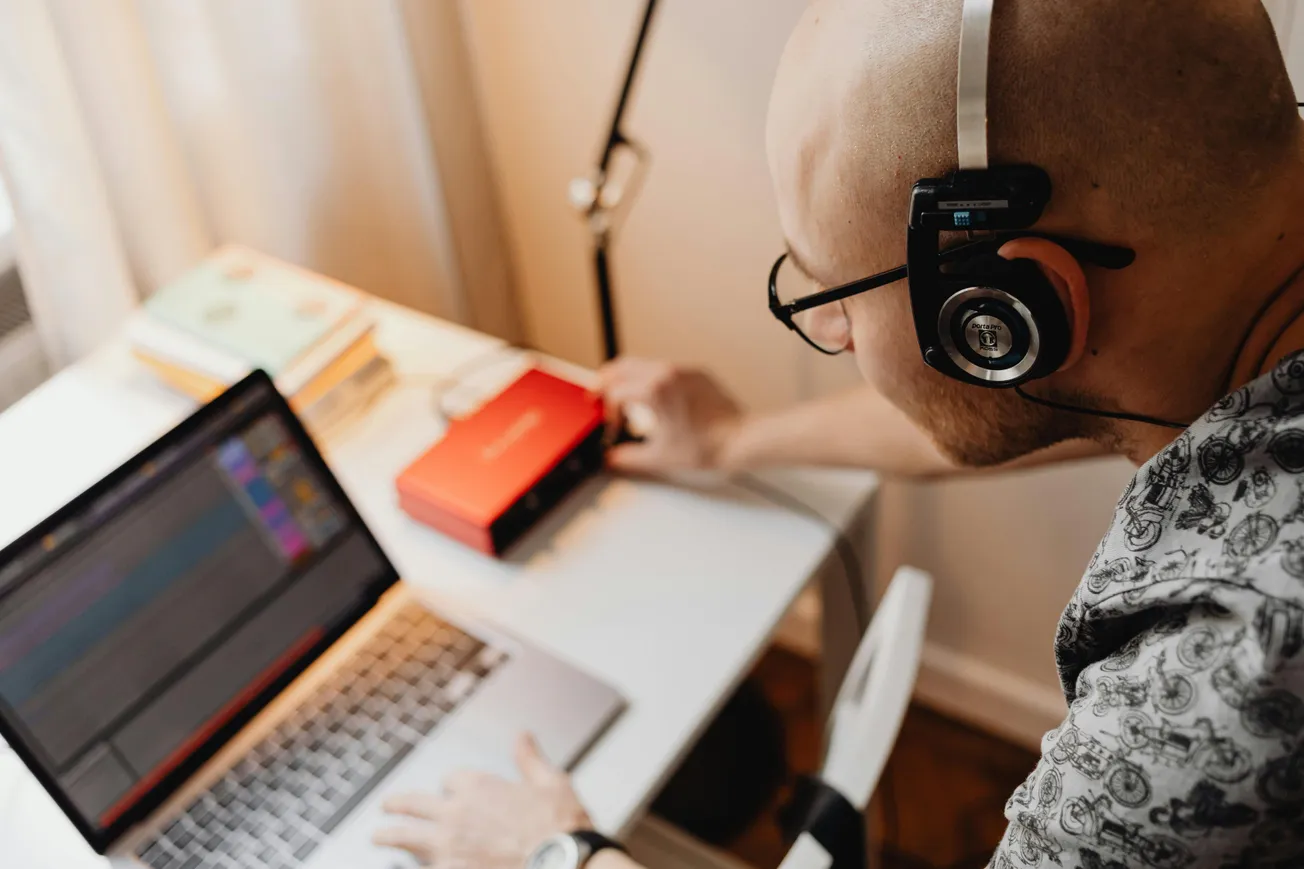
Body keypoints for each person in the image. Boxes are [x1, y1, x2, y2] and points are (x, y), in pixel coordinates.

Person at [372, 0, 1304, 866]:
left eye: (835, 298)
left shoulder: (1218, 688)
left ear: (1009, 313)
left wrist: (553, 854)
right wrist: (733, 441)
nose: (836, 335)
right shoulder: (1227, 291)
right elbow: (1056, 395)